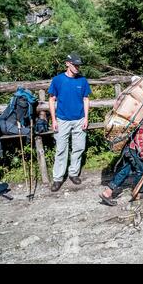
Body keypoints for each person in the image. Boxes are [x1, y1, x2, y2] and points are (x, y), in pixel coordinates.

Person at [99, 106, 143, 206]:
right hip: (133, 149)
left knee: (124, 171)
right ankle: (138, 193)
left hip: (130, 149)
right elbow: (138, 139)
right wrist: (142, 153)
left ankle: (107, 193)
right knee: (142, 170)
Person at [48, 53, 91, 192]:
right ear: (68, 63)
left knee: (79, 147)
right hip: (62, 120)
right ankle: (58, 178)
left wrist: (86, 118)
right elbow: (52, 99)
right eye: (75, 64)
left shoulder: (82, 81)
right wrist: (54, 120)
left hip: (79, 120)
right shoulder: (58, 80)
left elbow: (86, 99)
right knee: (61, 149)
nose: (77, 67)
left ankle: (73, 173)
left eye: (79, 65)